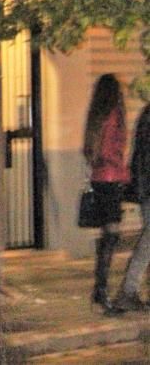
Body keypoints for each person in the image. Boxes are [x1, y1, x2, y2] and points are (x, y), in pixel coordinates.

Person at [82, 74, 130, 313]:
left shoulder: (96, 115)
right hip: (111, 178)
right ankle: (101, 292)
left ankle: (100, 290)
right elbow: (112, 149)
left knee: (107, 235)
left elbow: (91, 149)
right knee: (111, 235)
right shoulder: (114, 115)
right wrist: (122, 170)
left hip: (99, 178)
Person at [112, 101, 150, 312]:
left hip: (145, 188)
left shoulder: (146, 114)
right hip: (148, 189)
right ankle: (128, 291)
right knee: (147, 242)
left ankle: (130, 291)